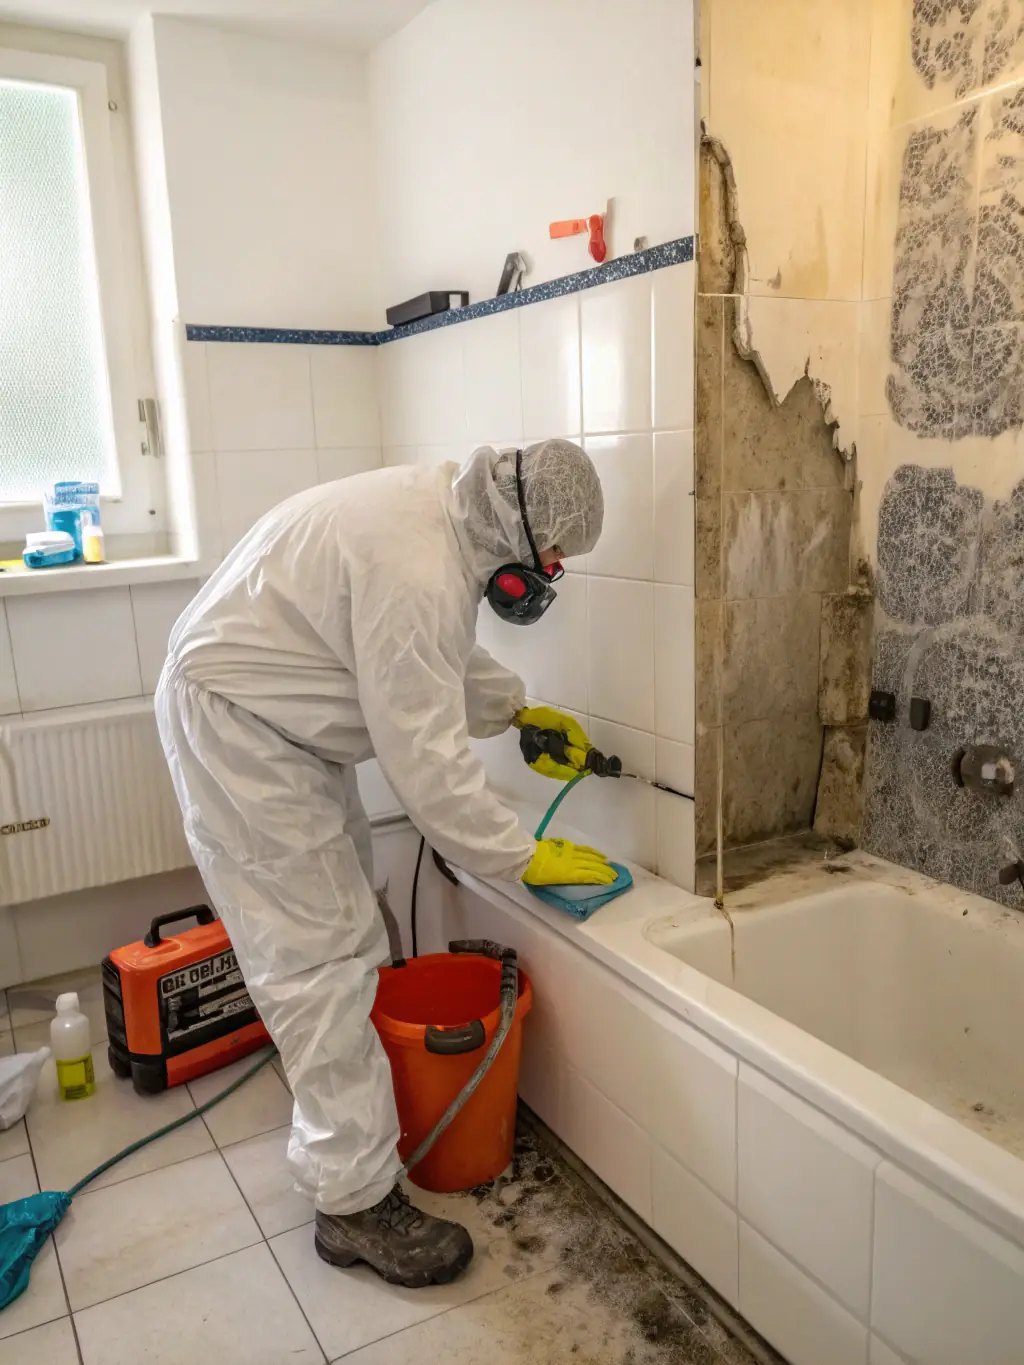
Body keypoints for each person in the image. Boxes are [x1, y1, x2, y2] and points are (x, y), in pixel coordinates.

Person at [155, 440, 611, 1289]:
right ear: (518, 525)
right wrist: (521, 855)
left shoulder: (440, 519)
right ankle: (353, 1201)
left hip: (274, 723)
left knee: (343, 931)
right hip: (240, 733)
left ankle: (349, 1151)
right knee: (317, 960)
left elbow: (424, 656)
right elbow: (426, 765)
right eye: (551, 554)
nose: (549, 571)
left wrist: (516, 712)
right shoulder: (415, 561)